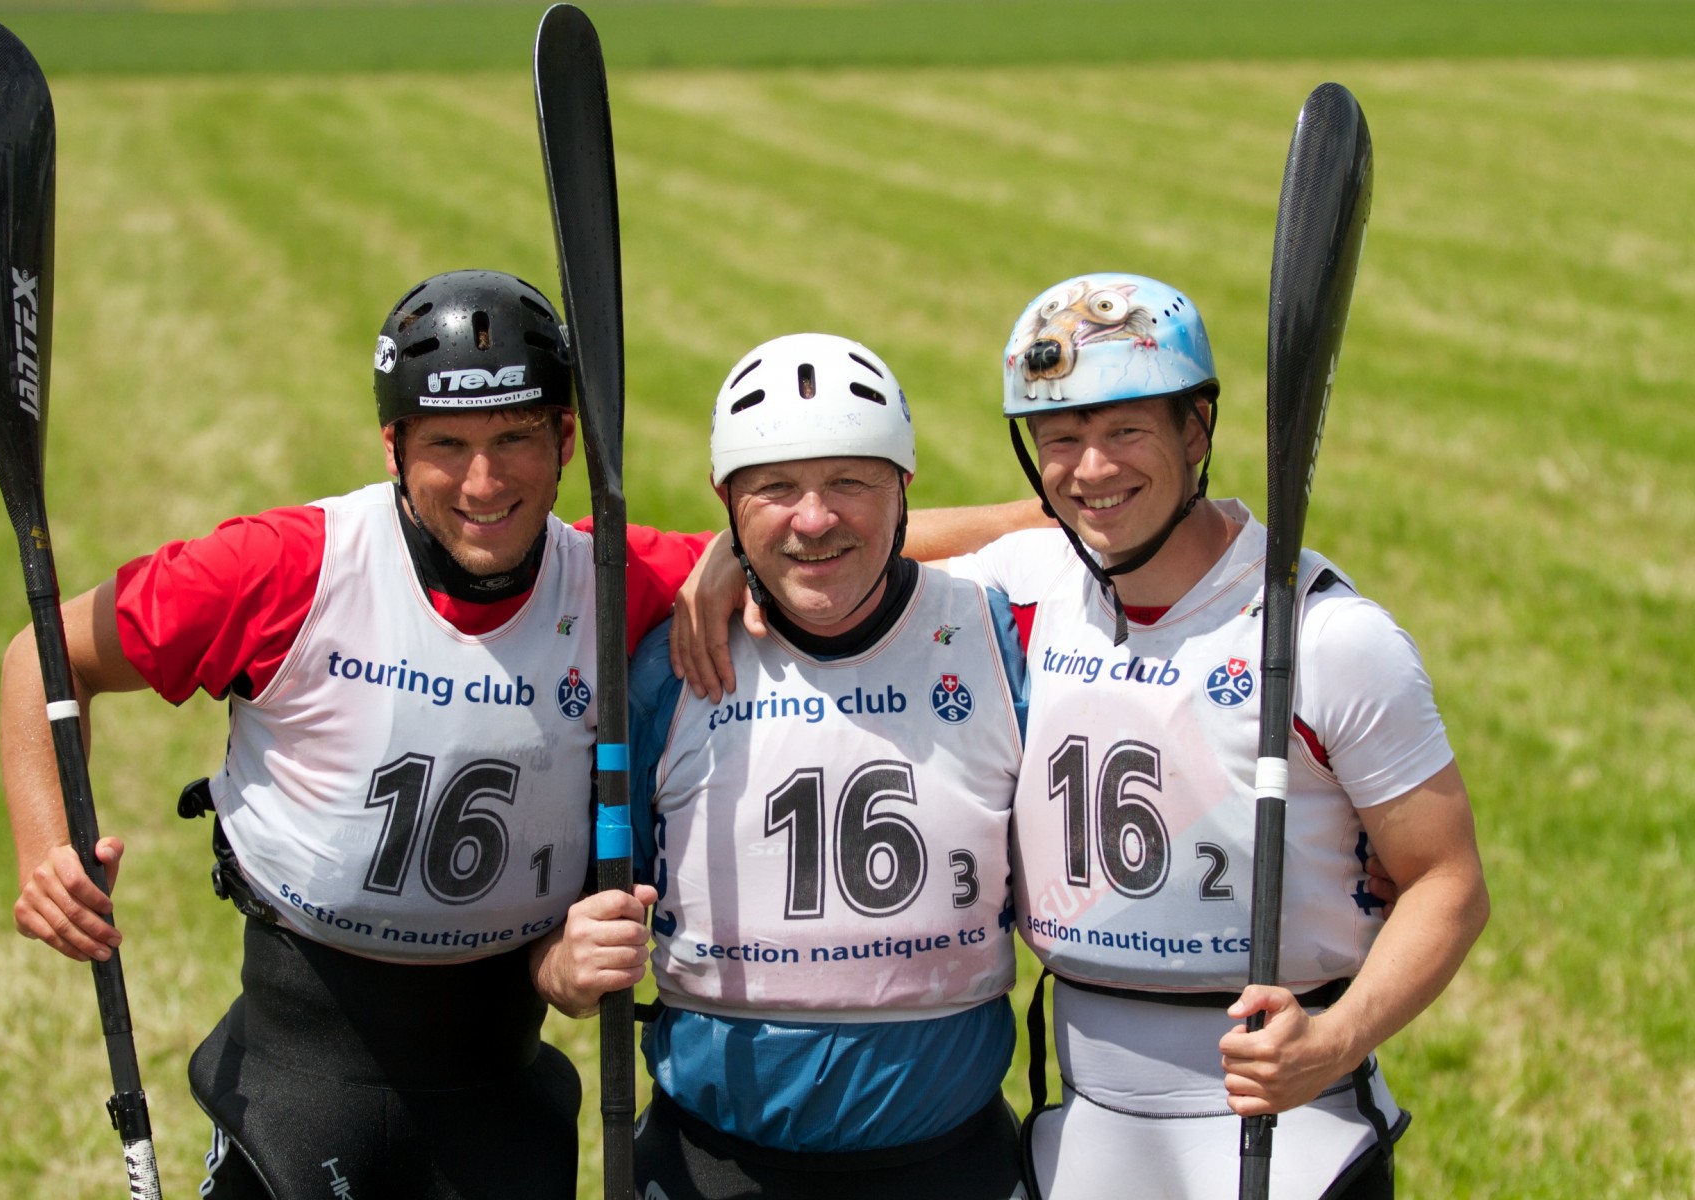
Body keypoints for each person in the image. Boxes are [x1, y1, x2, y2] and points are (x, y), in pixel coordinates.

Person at [0, 269, 713, 1199]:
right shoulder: (287, 569)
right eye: (446, 444)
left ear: (567, 440)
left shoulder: (609, 575)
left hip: (500, 1091)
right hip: (301, 1077)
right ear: (392, 446)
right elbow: (46, 656)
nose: (483, 481)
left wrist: (741, 550)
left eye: (515, 439)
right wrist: (46, 847)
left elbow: (850, 544)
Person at [946, 273, 1489, 1198]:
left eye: (1125, 432)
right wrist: (730, 561)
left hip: (1290, 1125)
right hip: (1080, 1128)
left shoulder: (1329, 635)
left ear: (1197, 431)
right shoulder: (1026, 583)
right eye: (1059, 438)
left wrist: (1337, 1040)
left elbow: (1450, 882)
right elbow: (856, 551)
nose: (1091, 467)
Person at [532, 333, 1031, 1199]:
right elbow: (556, 908)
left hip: (953, 1163)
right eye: (774, 488)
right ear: (724, 502)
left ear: (904, 485)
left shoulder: (997, 634)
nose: (814, 518)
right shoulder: (666, 669)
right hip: (710, 1166)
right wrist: (555, 964)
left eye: (850, 481)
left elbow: (1095, 514)